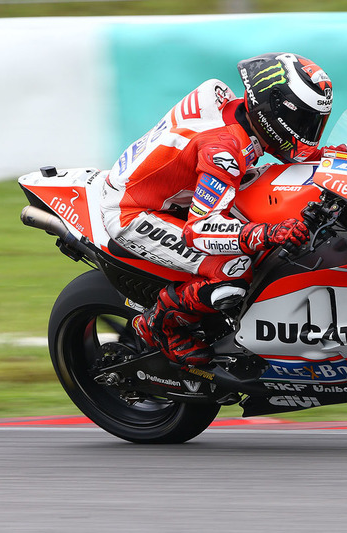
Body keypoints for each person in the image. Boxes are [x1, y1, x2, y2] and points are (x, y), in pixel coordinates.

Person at [100, 52, 334, 366]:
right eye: (303, 121)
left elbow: (298, 156)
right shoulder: (222, 151)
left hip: (174, 192)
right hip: (134, 210)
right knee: (233, 271)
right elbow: (198, 231)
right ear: (272, 111)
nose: (306, 133)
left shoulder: (236, 111)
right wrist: (267, 233)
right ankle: (160, 324)